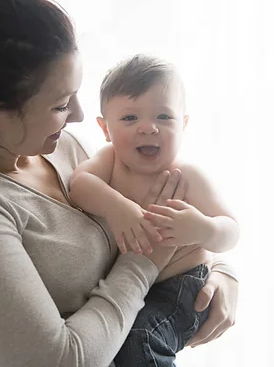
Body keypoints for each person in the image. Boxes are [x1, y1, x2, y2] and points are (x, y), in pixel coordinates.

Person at [0, 0, 239, 366]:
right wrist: (149, 258)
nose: (78, 116)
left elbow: (156, 213)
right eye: (60, 104)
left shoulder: (61, 148)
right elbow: (62, 360)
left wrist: (220, 272)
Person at [68, 55, 240, 366]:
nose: (148, 128)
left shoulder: (186, 176)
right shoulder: (109, 162)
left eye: (163, 117)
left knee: (141, 337)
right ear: (105, 128)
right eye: (130, 118)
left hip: (182, 287)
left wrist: (204, 229)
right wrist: (117, 206)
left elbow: (231, 229)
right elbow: (78, 185)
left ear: (183, 124)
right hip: (131, 289)